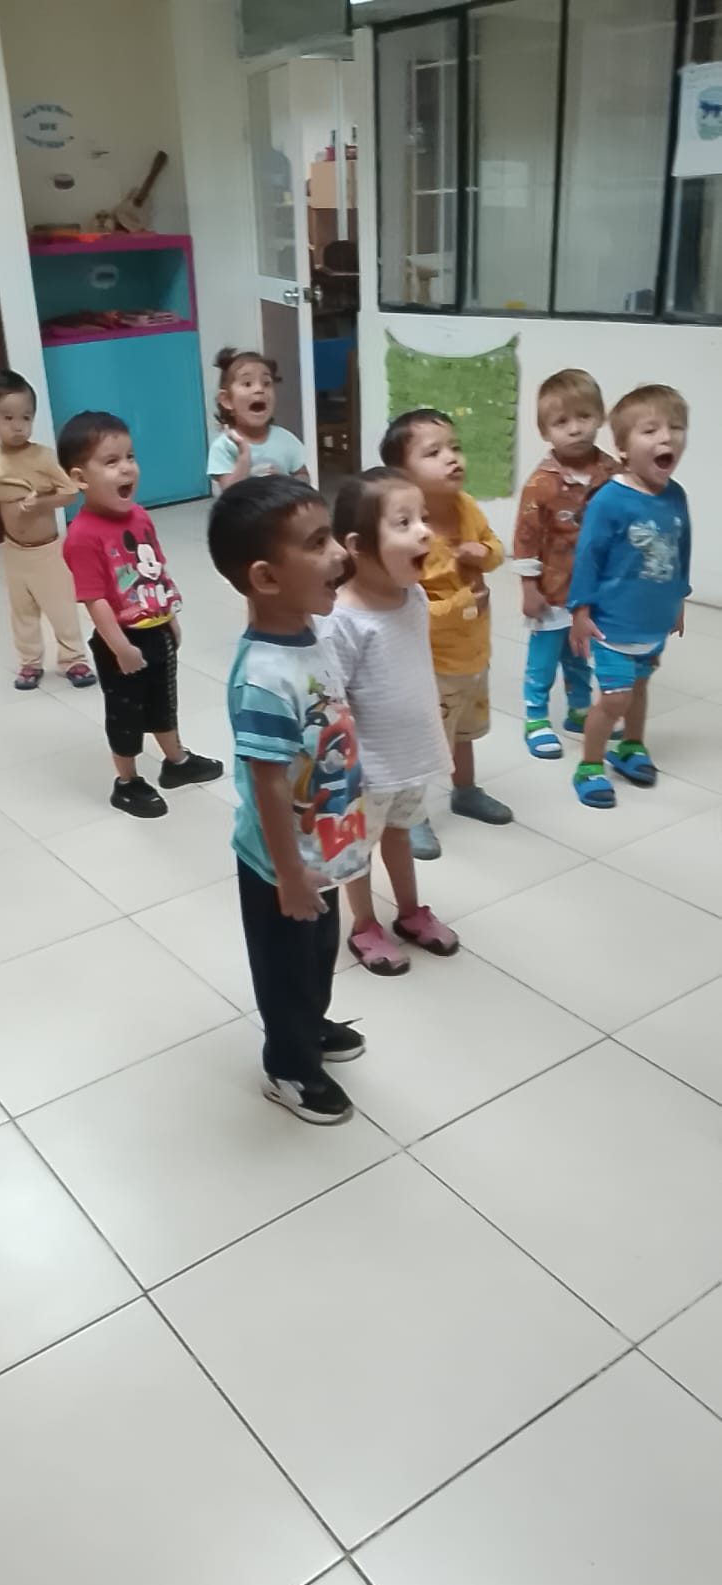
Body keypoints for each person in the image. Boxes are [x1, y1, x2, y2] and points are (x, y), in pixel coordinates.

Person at [208, 475, 369, 1124]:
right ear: (266, 578)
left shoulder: (308, 635)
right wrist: (289, 874)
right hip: (280, 865)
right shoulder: (263, 677)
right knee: (285, 967)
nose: (339, 554)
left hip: (318, 849)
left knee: (320, 951)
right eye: (318, 543)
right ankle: (289, 1067)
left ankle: (311, 1023)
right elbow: (268, 783)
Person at [318, 468, 457, 975]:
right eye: (404, 522)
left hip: (410, 754)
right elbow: (332, 701)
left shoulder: (413, 596)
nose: (424, 531)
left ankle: (410, 910)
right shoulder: (342, 620)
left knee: (400, 830)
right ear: (357, 546)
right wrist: (344, 770)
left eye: (423, 518)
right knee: (357, 848)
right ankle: (363, 925)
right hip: (366, 769)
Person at [59, 409, 222, 817]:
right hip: (121, 642)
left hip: (156, 631)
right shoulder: (82, 535)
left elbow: (155, 574)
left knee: (164, 702)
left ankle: (176, 761)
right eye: (111, 461)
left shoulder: (140, 517)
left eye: (130, 457)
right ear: (80, 478)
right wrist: (120, 648)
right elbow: (95, 600)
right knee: (126, 715)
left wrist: (170, 620)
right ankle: (127, 782)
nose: (126, 468)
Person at [381, 407, 511, 860]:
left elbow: (496, 548)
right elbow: (408, 610)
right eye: (433, 452)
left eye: (454, 447)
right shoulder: (409, 536)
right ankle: (412, 814)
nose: (452, 458)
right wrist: (463, 604)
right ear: (403, 476)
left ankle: (465, 791)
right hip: (429, 664)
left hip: (473, 654)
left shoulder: (466, 506)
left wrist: (484, 553)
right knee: (424, 742)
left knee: (464, 732)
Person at [569, 384, 691, 809]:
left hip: (651, 620)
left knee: (639, 688)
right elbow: (587, 557)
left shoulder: (675, 496)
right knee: (615, 698)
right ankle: (589, 764)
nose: (666, 437)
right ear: (622, 448)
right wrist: (580, 610)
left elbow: (680, 551)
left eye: (676, 428)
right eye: (650, 430)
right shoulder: (609, 500)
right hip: (612, 624)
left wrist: (679, 600)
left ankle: (631, 745)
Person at [0, 369, 95, 692]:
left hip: (49, 551)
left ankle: (73, 658)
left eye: (26, 417)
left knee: (61, 608)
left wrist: (42, 503)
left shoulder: (43, 456)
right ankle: (30, 662)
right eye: (8, 418)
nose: (18, 426)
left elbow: (70, 493)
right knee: (22, 611)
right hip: (14, 551)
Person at [513, 369, 617, 759]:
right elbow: (526, 537)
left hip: (594, 591)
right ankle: (536, 716)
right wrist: (528, 588)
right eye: (561, 422)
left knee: (579, 652)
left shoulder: (614, 474)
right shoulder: (540, 483)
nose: (575, 429)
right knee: (543, 657)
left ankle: (579, 709)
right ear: (545, 431)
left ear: (600, 416)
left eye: (584, 416)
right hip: (552, 590)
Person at [207, 347, 309, 491]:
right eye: (247, 384)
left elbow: (303, 476)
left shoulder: (285, 439)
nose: (259, 389)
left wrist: (285, 481)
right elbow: (230, 494)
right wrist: (244, 457)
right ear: (227, 400)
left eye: (266, 383)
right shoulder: (224, 446)